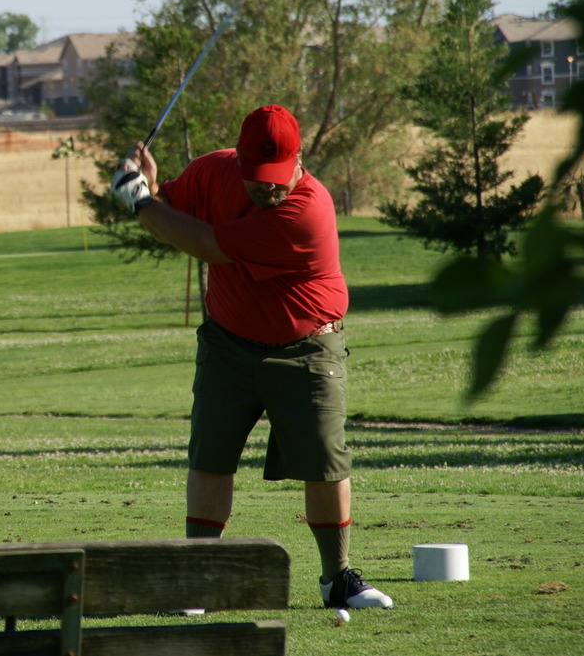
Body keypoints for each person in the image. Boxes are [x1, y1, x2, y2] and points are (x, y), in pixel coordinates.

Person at [109, 104, 393, 611]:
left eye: (277, 176)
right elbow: (171, 215)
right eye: (257, 176)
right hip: (228, 344)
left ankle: (337, 578)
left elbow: (206, 243)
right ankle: (198, 580)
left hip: (307, 347)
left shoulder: (307, 210)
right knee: (210, 459)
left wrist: (139, 202)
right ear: (237, 158)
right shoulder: (212, 171)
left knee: (325, 463)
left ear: (299, 159)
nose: (267, 187)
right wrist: (146, 188)